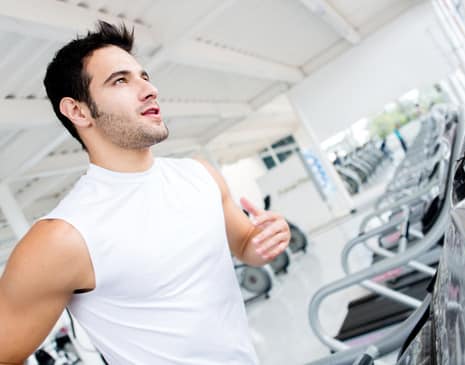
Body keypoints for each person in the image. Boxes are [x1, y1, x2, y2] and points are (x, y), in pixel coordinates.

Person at [0, 21, 290, 365]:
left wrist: (267, 238)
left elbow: (244, 246)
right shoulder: (63, 237)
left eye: (144, 77)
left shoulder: (200, 176)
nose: (149, 90)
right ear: (78, 110)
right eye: (120, 80)